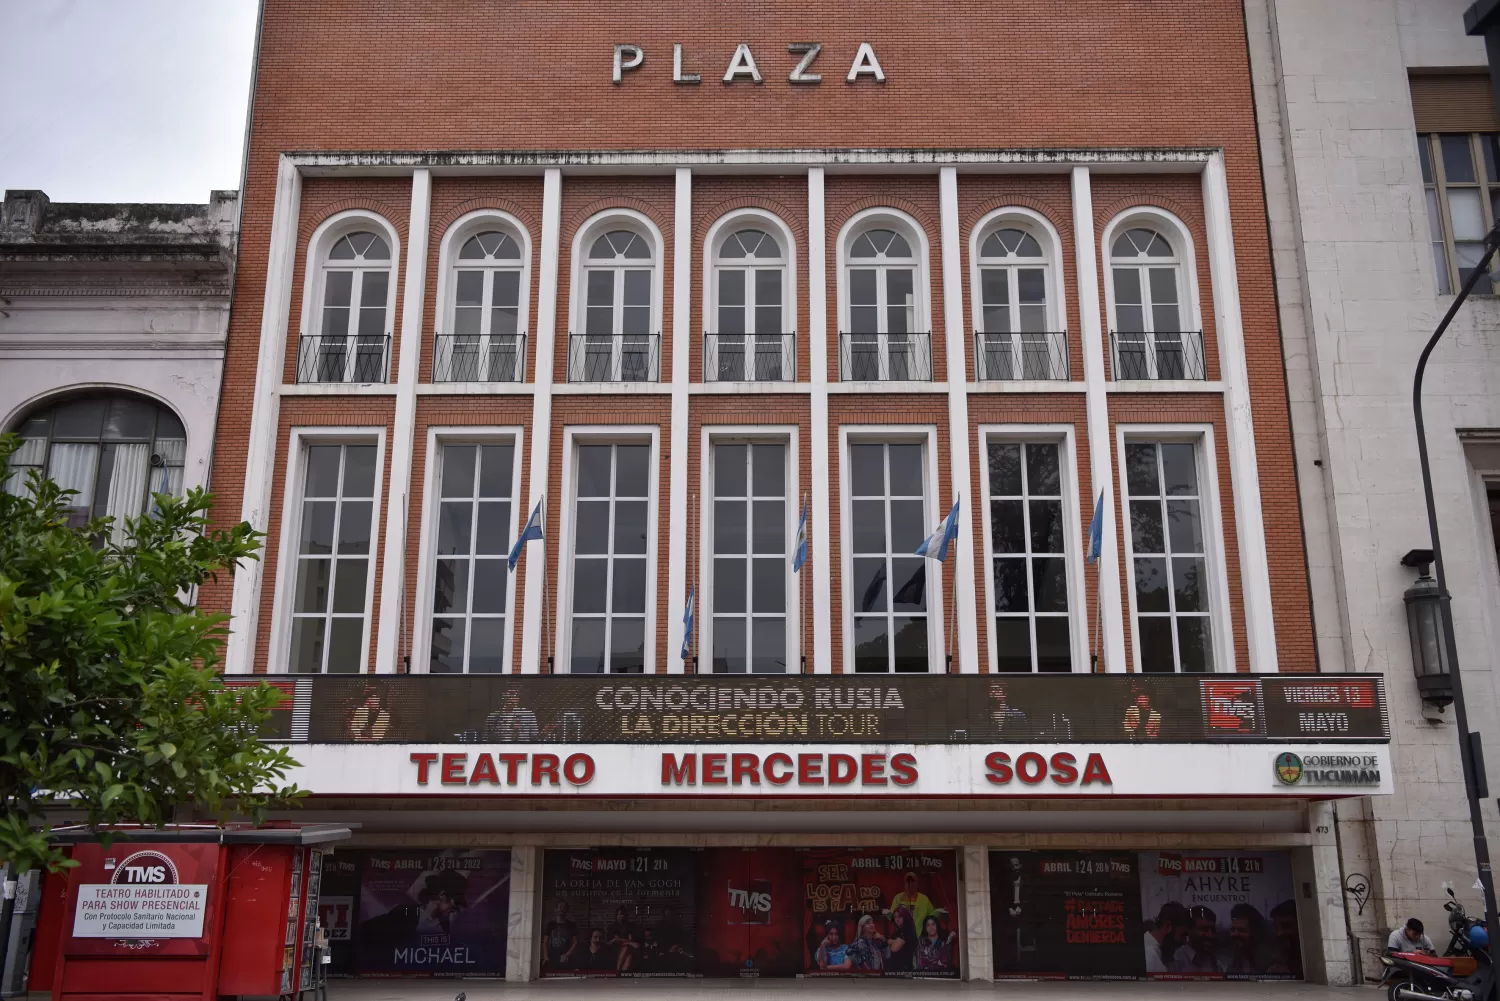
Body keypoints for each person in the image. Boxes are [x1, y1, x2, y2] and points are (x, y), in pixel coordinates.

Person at [357, 868, 466, 955]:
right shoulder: (405, 914)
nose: (456, 907)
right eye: (455, 901)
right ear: (442, 895)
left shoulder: (444, 925)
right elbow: (366, 933)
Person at [1168, 905, 1222, 973]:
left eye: (1213, 930)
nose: (1210, 935)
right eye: (1204, 929)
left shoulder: (1216, 965)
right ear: (1189, 930)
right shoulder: (1175, 962)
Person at [1144, 901, 1192, 973]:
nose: (1185, 941)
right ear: (1168, 926)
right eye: (1183, 935)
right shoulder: (1150, 955)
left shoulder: (1151, 951)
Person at [1225, 903, 1267, 974]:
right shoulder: (1235, 962)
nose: (1235, 934)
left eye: (1242, 930)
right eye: (1233, 930)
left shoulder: (1270, 965)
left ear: (1255, 932)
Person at [1267, 900, 1304, 977]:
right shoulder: (1274, 966)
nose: (1279, 933)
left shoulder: (1311, 964)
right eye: (1276, 927)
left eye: (1286, 926)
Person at [542, 901, 578, 969]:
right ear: (556, 909)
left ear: (567, 910)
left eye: (564, 907)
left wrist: (567, 955)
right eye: (560, 907)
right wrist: (546, 957)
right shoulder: (550, 925)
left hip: (566, 957)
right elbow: (545, 942)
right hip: (552, 956)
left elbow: (575, 942)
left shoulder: (571, 925)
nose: (562, 909)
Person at [606, 906, 640, 972]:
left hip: (629, 948)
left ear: (625, 915)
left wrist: (618, 939)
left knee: (628, 950)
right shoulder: (612, 927)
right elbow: (609, 942)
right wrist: (626, 941)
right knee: (628, 953)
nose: (619, 916)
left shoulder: (631, 926)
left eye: (621, 914)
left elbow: (632, 940)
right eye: (617, 914)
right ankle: (620, 972)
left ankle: (618, 972)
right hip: (616, 948)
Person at [885, 905, 916, 972]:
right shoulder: (899, 930)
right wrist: (894, 941)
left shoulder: (907, 929)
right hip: (896, 968)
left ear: (905, 916)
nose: (897, 919)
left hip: (904, 969)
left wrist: (892, 942)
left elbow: (894, 948)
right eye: (895, 917)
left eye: (899, 916)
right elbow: (888, 943)